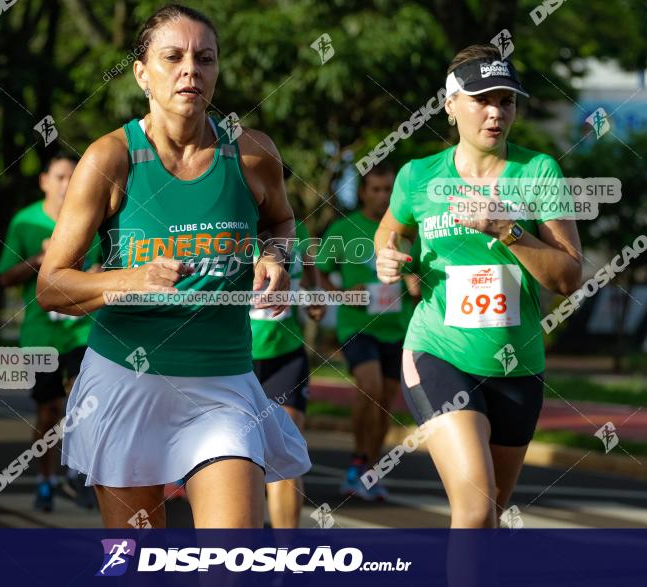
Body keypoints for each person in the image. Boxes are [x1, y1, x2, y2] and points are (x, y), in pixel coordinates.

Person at [36, 4, 310, 529]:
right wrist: (129, 279)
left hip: (222, 383)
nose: (191, 69)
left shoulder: (252, 154)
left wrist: (275, 257)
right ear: (142, 73)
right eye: (173, 57)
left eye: (205, 58)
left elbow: (281, 221)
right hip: (125, 379)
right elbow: (52, 287)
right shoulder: (109, 159)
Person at [374, 44, 582, 528]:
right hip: (439, 352)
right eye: (481, 99)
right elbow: (391, 228)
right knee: (472, 508)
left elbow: (570, 277)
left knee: (490, 513)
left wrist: (508, 230)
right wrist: (388, 255)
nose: (495, 112)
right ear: (450, 106)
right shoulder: (418, 175)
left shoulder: (537, 172)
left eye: (506, 100)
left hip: (518, 364)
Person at [0, 151, 101, 512]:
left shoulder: (95, 217)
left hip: (85, 331)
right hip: (42, 334)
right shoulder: (25, 223)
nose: (67, 184)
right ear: (44, 181)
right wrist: (40, 262)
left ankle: (78, 473)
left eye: (73, 176)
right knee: (48, 411)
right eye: (59, 176)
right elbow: (5, 277)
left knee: (84, 407)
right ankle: (45, 479)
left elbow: (106, 268)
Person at [317, 164, 419, 501]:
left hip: (398, 327)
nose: (382, 196)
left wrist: (412, 281)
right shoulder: (343, 230)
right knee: (370, 384)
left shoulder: (406, 232)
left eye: (388, 190)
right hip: (357, 325)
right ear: (362, 192)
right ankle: (358, 459)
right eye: (375, 189)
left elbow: (418, 279)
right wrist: (342, 295)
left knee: (387, 402)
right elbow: (321, 273)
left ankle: (369, 469)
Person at [250, 217, 324, 527]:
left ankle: (286, 561)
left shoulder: (298, 230)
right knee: (241, 458)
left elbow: (310, 274)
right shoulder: (232, 222)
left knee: (284, 453)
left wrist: (314, 296)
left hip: (285, 355)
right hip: (235, 359)